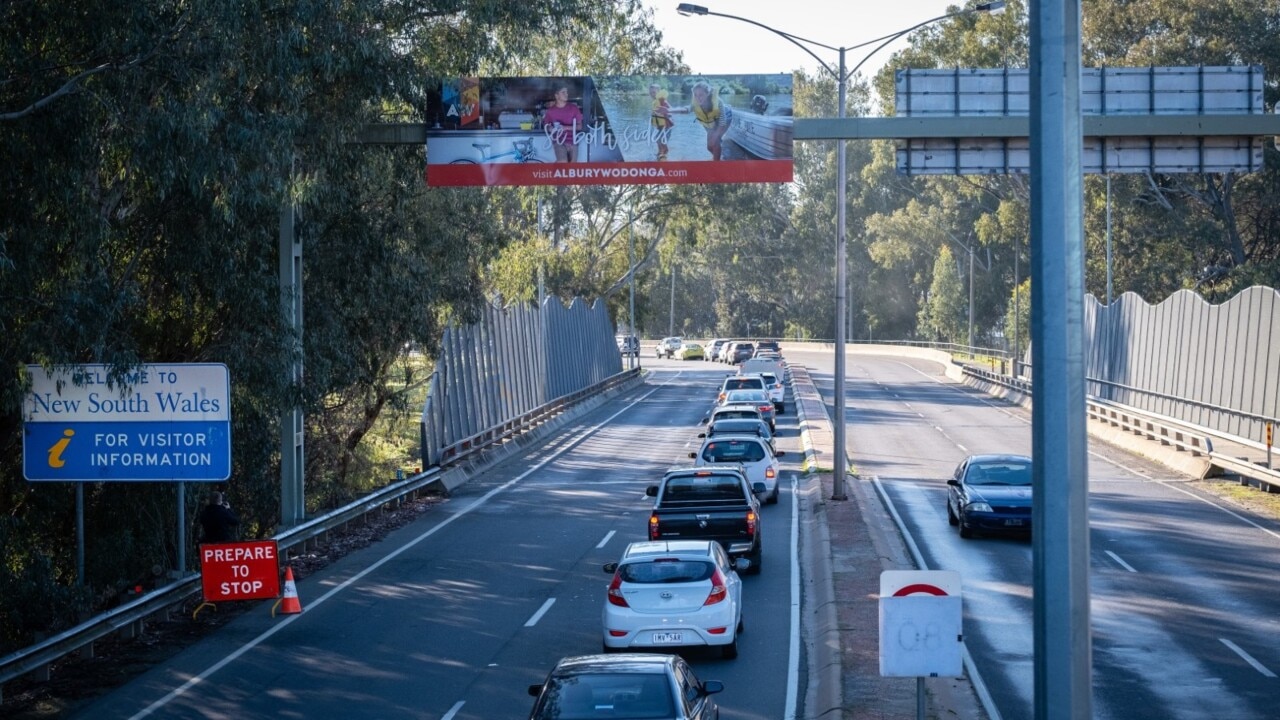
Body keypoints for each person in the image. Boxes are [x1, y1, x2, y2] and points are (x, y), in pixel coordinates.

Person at [690, 80, 733, 161]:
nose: (698, 98)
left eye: (701, 95)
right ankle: (722, 157)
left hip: (726, 116)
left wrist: (716, 135)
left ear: (707, 93)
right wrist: (670, 110)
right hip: (712, 120)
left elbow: (722, 122)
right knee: (709, 147)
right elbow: (686, 109)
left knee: (715, 142)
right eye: (695, 95)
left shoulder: (718, 102)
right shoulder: (696, 103)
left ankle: (716, 163)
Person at [540, 84, 583, 163]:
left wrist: (565, 127)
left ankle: (553, 172)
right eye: (563, 92)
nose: (566, 94)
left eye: (566, 92)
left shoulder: (574, 108)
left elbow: (580, 126)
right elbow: (546, 126)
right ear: (557, 96)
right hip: (559, 141)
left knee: (572, 167)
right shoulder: (551, 111)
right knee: (563, 162)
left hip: (573, 141)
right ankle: (554, 172)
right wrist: (551, 129)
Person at [649, 83, 675, 161]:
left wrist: (666, 111)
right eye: (651, 92)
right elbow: (655, 113)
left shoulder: (662, 100)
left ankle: (664, 153)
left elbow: (671, 109)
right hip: (660, 126)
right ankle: (660, 152)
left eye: (654, 92)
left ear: (659, 92)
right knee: (657, 139)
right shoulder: (655, 101)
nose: (652, 94)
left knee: (661, 140)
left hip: (666, 126)